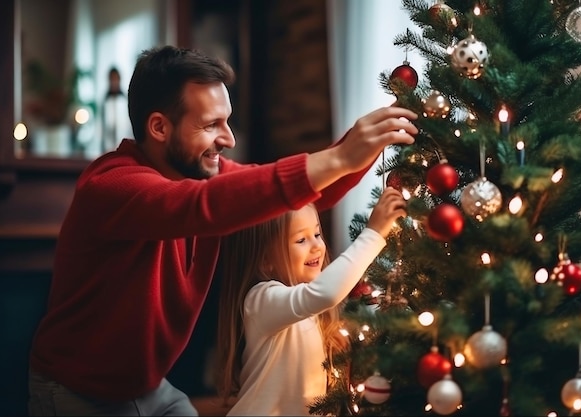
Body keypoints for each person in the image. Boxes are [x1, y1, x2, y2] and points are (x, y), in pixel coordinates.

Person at [26, 44, 417, 416]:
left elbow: (291, 198)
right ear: (159, 127)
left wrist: (372, 139)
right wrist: (338, 157)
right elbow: (200, 207)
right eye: (212, 124)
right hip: (76, 394)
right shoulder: (111, 187)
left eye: (226, 121)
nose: (228, 139)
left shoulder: (202, 174)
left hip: (149, 387)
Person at [215, 186, 406, 416]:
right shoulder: (261, 300)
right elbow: (323, 293)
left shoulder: (310, 310)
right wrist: (373, 234)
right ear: (266, 260)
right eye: (301, 240)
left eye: (317, 234)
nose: (316, 245)